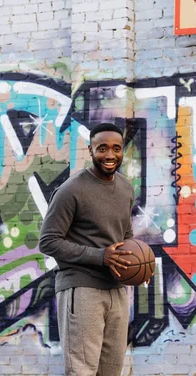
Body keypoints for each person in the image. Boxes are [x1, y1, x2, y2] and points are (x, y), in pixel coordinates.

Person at [39, 122, 135, 376]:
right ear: (90, 149)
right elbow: (48, 241)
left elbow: (125, 236)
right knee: (82, 371)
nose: (110, 155)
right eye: (102, 148)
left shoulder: (126, 188)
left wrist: (136, 264)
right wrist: (100, 256)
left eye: (116, 148)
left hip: (116, 290)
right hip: (81, 289)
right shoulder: (72, 190)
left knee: (111, 372)